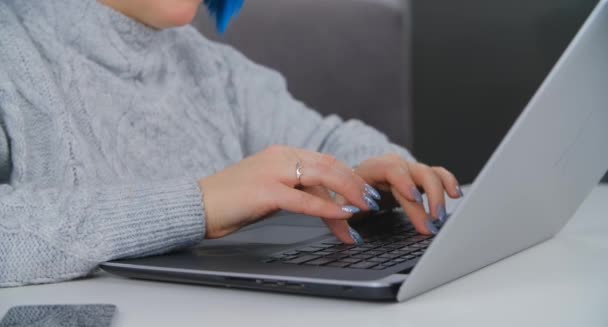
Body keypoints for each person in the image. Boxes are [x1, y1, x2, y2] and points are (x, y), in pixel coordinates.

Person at [0, 0, 462, 287]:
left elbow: (326, 138)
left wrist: (364, 176)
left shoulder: (209, 65)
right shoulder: (13, 55)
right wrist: (199, 204)